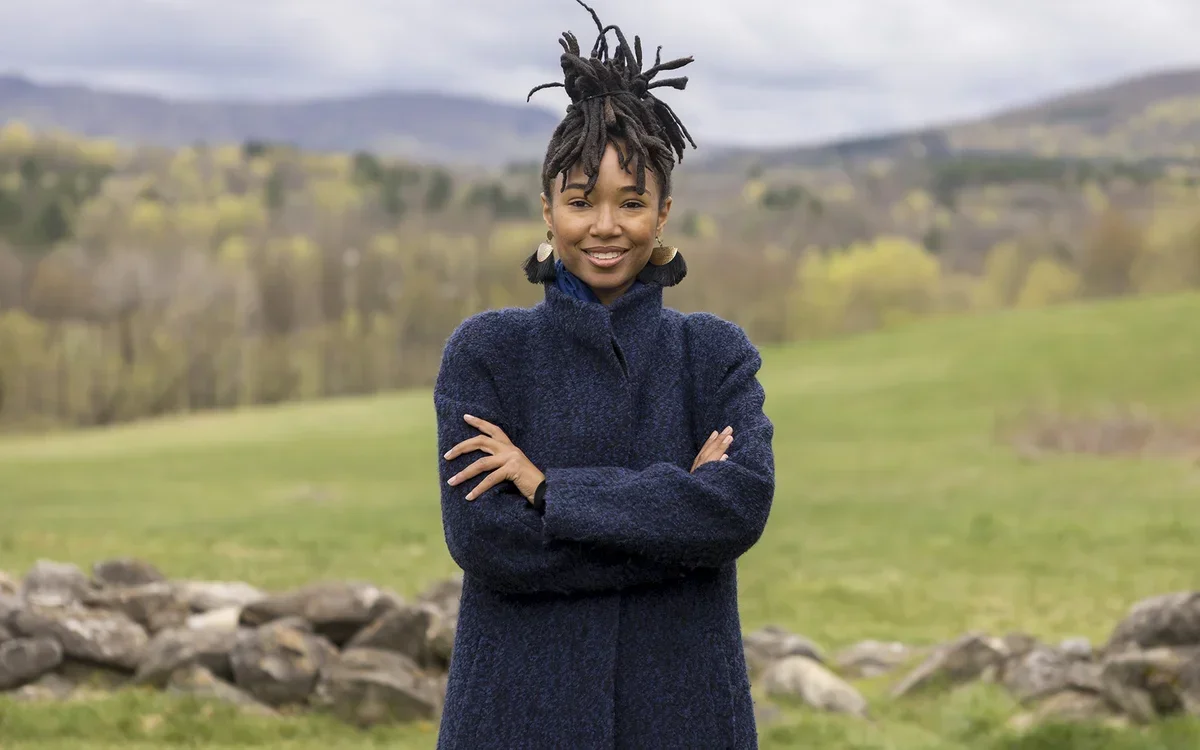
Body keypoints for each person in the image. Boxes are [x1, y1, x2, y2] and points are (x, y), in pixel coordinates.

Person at [433, 3, 775, 747]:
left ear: (664, 213)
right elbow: (487, 543)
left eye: (631, 202)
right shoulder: (486, 353)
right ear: (548, 209)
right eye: (581, 202)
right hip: (518, 712)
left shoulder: (715, 354)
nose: (605, 227)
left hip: (683, 712)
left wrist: (551, 491)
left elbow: (739, 510)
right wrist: (672, 531)